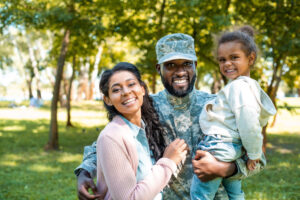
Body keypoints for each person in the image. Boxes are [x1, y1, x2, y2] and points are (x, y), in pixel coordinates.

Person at [75, 33, 266, 200]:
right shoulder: (145, 107)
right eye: (171, 65)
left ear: (196, 66)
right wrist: (84, 172)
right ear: (159, 69)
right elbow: (107, 144)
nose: (180, 71)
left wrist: (224, 169)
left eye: (186, 64)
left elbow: (258, 159)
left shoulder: (219, 105)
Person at [190, 26, 276, 200]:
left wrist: (254, 154)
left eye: (234, 57)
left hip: (219, 146)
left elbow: (249, 125)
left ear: (251, 58)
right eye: (222, 60)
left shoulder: (239, 88)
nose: (227, 63)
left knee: (200, 194)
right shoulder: (247, 87)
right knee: (235, 193)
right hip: (232, 149)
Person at [95, 62, 188, 200]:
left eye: (131, 84)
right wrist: (168, 162)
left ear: (142, 89)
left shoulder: (143, 127)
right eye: (116, 90)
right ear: (107, 100)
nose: (126, 92)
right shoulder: (112, 136)